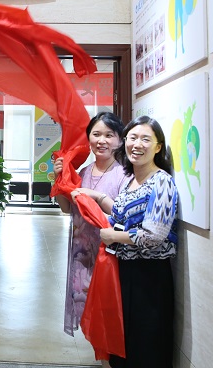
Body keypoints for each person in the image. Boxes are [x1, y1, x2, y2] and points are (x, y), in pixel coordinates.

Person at [97, 116, 179, 368]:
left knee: (146, 345)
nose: (137, 144)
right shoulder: (130, 180)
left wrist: (114, 236)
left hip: (149, 277)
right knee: (124, 343)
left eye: (145, 139)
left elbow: (153, 236)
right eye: (132, 138)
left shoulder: (161, 181)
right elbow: (121, 218)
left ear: (158, 146)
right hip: (123, 270)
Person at [53, 112, 128, 346]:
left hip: (109, 255)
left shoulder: (124, 175)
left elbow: (123, 216)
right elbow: (67, 208)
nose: (102, 140)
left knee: (107, 315)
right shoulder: (83, 173)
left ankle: (107, 359)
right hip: (82, 256)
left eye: (109, 135)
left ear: (120, 140)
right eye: (96, 134)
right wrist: (59, 178)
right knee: (87, 313)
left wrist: (95, 197)